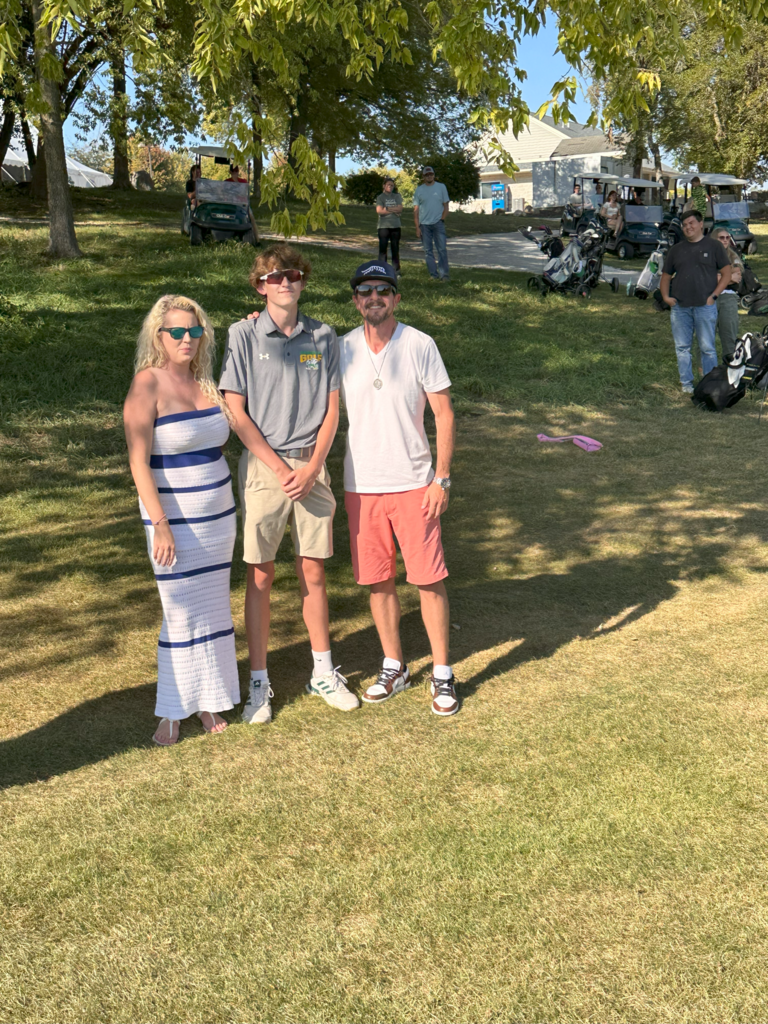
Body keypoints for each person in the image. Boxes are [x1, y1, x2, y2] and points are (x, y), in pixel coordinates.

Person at [219, 244, 358, 724]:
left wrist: (312, 465)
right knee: (260, 575)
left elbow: (332, 411)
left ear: (303, 281)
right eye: (275, 276)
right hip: (265, 470)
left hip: (312, 469)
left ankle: (322, 671)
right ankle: (258, 682)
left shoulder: (323, 335)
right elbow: (235, 411)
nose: (285, 282)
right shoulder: (241, 333)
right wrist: (280, 470)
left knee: (314, 573)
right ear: (260, 285)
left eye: (293, 275)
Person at [341, 260, 458, 716]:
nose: (374, 297)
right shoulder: (340, 348)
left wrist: (441, 478)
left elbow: (444, 413)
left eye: (383, 290)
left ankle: (443, 672)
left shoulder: (419, 344)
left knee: (429, 580)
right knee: (378, 581)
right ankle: (395, 665)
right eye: (366, 291)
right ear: (355, 300)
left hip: (414, 484)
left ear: (396, 298)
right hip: (362, 485)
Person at [124, 295, 240, 747]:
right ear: (159, 336)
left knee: (212, 607)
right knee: (178, 611)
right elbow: (138, 464)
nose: (187, 338)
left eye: (194, 330)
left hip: (217, 513)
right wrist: (160, 523)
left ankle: (210, 699)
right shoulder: (146, 384)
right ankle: (172, 710)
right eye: (176, 331)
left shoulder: (207, 384)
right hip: (172, 515)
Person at [660, 210, 733, 394]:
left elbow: (726, 273)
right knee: (682, 348)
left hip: (705, 306)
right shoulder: (676, 249)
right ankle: (686, 384)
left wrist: (713, 296)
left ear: (701, 224)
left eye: (691, 223)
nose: (688, 227)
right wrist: (666, 298)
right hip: (680, 308)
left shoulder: (714, 246)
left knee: (707, 348)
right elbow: (666, 276)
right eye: (684, 225)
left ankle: (709, 385)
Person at [413, 166, 450, 281]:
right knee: (428, 251)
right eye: (427, 175)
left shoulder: (441, 187)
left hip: (438, 223)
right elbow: (416, 210)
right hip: (424, 225)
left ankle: (444, 275)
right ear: (423, 177)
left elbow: (446, 206)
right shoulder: (419, 190)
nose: (429, 176)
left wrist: (442, 219)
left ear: (434, 175)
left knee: (442, 249)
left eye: (431, 174)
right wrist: (417, 227)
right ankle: (433, 275)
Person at [713, 228, 744, 360]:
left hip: (729, 296)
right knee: (706, 337)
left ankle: (730, 367)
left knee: (729, 334)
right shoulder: (707, 253)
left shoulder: (732, 254)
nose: (725, 240)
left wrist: (719, 275)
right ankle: (704, 371)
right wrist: (729, 276)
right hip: (710, 296)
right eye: (721, 237)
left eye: (727, 237)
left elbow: (738, 272)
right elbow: (707, 277)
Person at [375, 177, 403, 275]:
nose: (390, 187)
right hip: (383, 227)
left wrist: (387, 208)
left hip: (395, 226)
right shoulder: (380, 197)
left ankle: (396, 271)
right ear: (384, 186)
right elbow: (379, 211)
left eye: (392, 185)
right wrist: (393, 209)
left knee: (395, 249)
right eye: (388, 185)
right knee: (383, 250)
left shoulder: (397, 196)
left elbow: (400, 209)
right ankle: (381, 271)